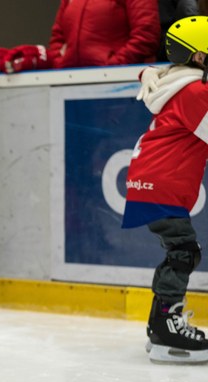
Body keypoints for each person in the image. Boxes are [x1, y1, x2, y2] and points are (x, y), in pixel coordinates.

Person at [122, 16, 208, 364]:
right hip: (162, 184)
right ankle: (165, 328)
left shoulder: (182, 86)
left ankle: (160, 322)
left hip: (152, 181)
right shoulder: (194, 92)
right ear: (199, 57)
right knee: (183, 253)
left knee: (179, 251)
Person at [48, 0, 160, 68]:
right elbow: (58, 36)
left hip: (121, 82)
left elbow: (146, 35)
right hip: (69, 82)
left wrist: (114, 65)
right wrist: (61, 63)